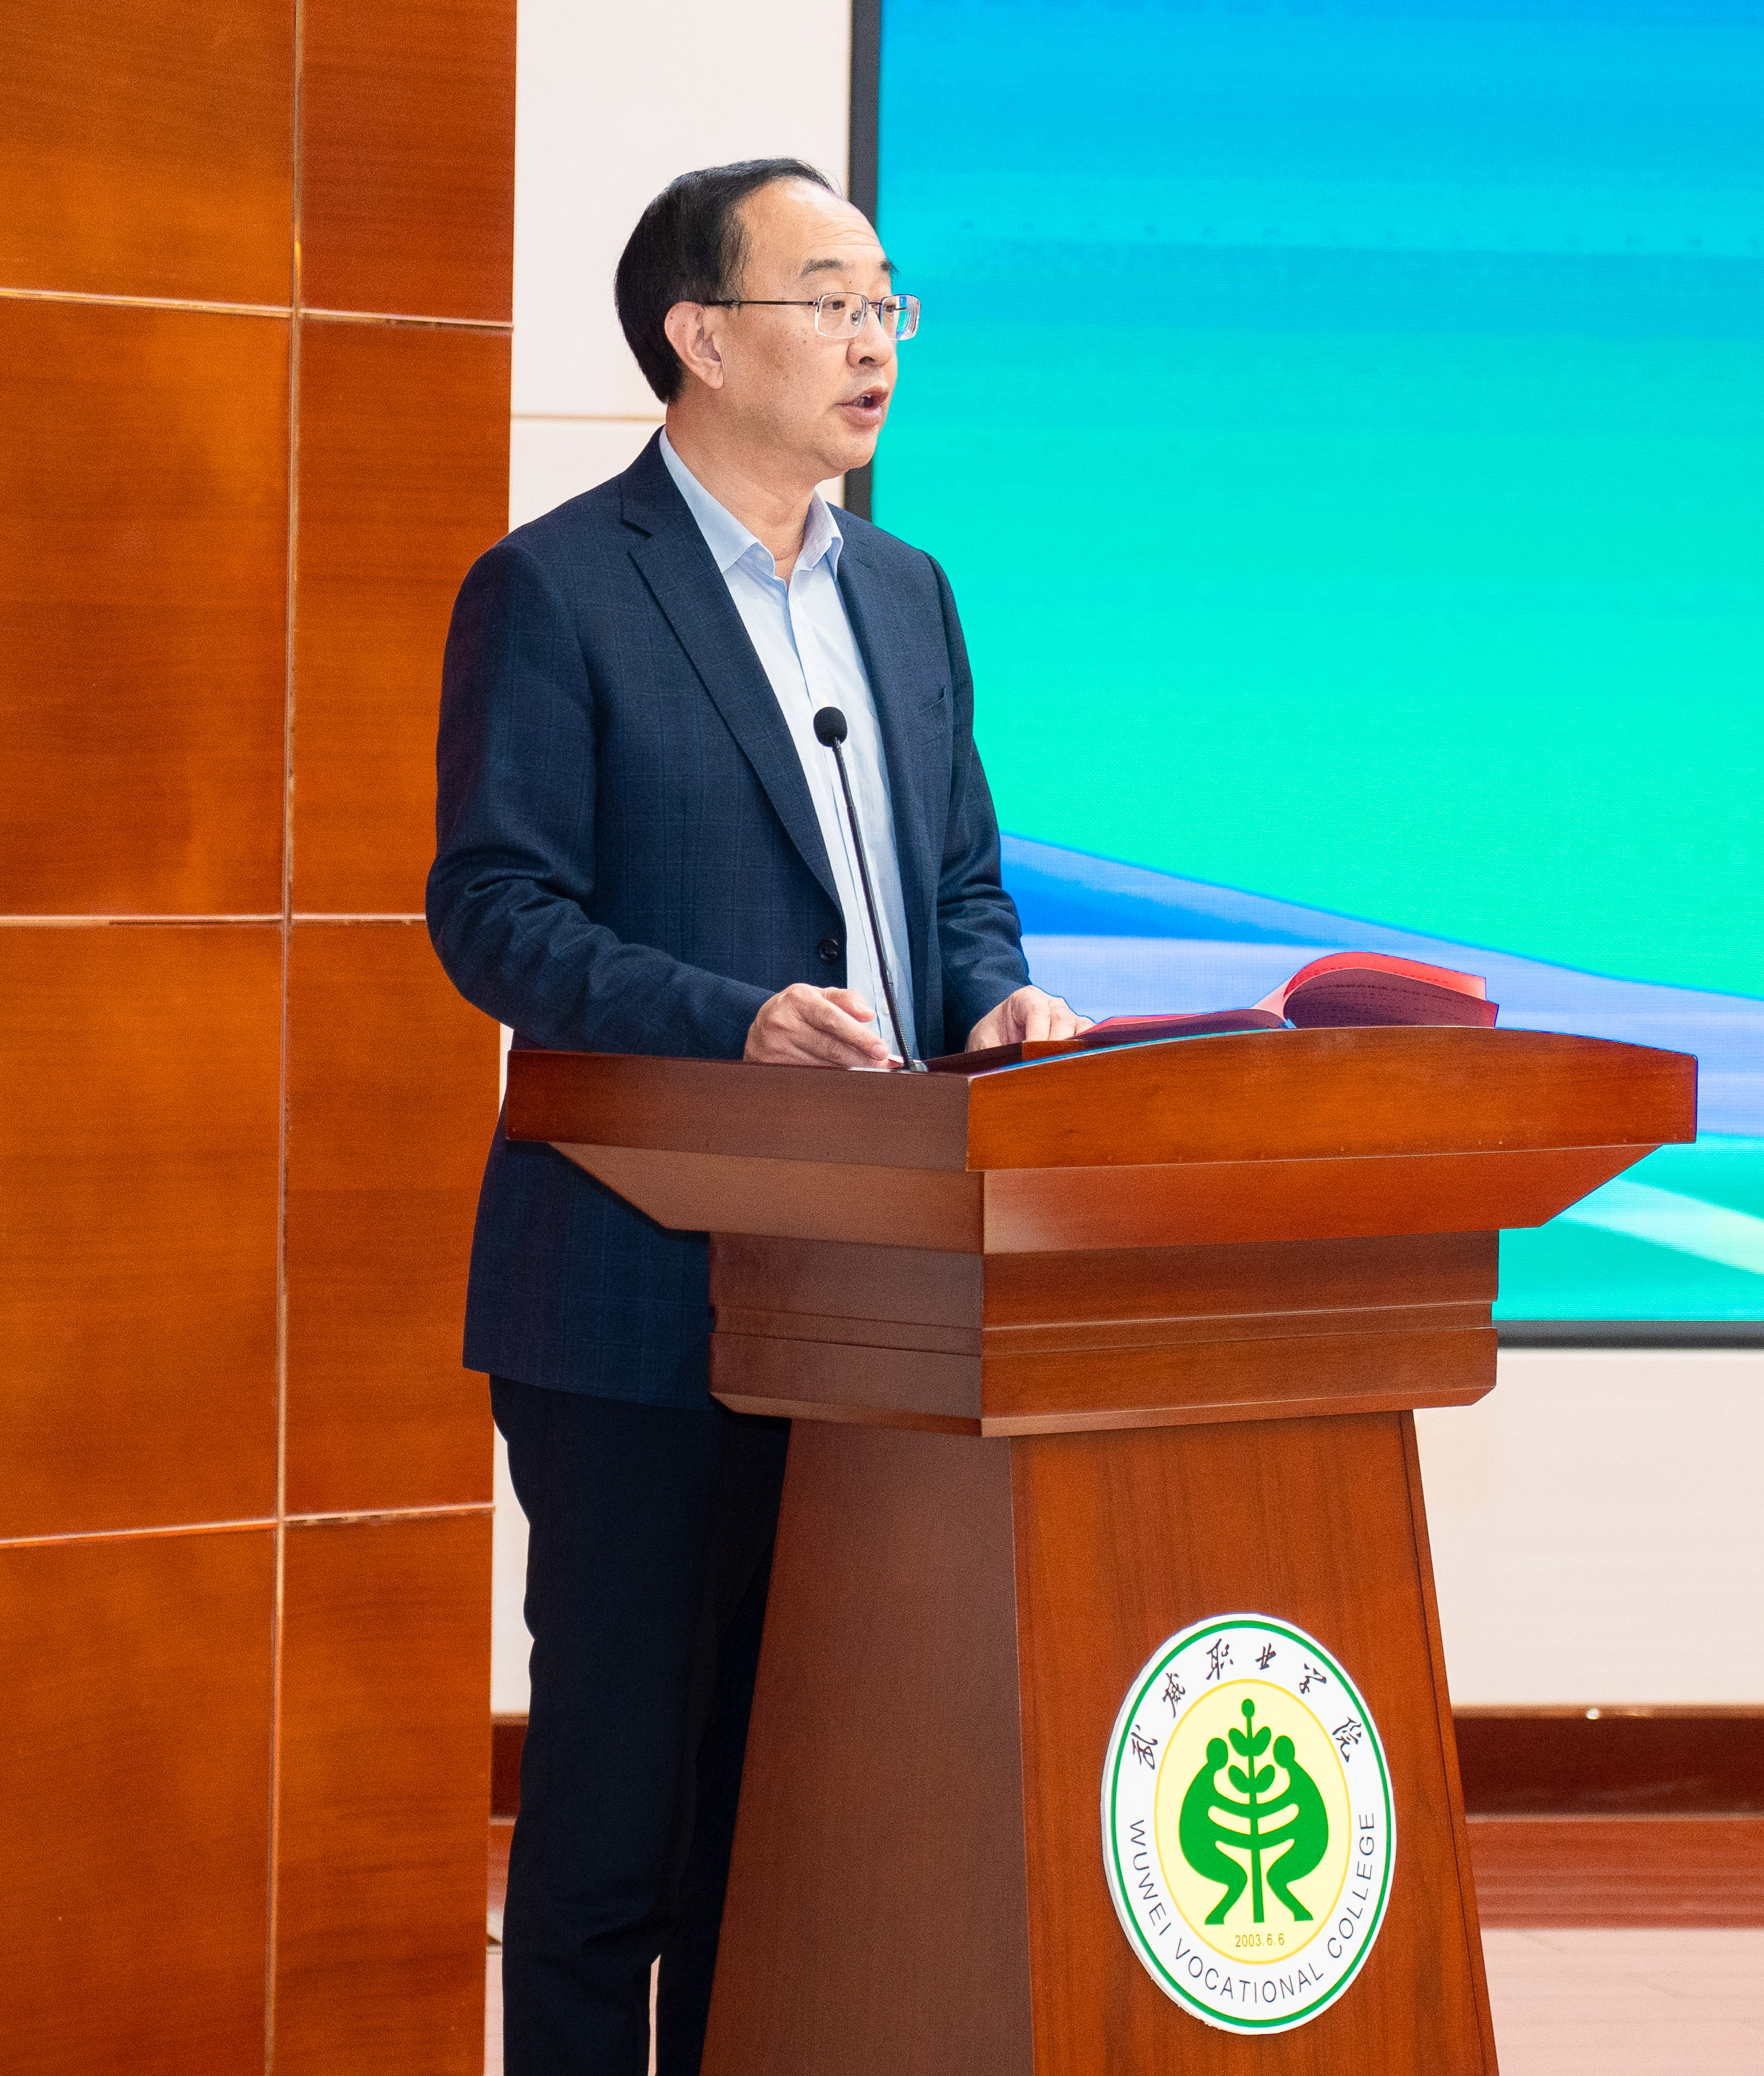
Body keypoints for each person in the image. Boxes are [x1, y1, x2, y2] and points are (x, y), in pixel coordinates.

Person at [427, 159, 1085, 2076]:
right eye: (829, 301)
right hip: (641, 1286)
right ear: (700, 337)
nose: (875, 343)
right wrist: (732, 1023)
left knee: (785, 1809)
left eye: (888, 305)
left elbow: (956, 886)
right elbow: (495, 913)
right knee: (617, 1812)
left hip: (880, 1294)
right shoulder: (557, 589)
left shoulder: (909, 593)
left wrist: (993, 999)